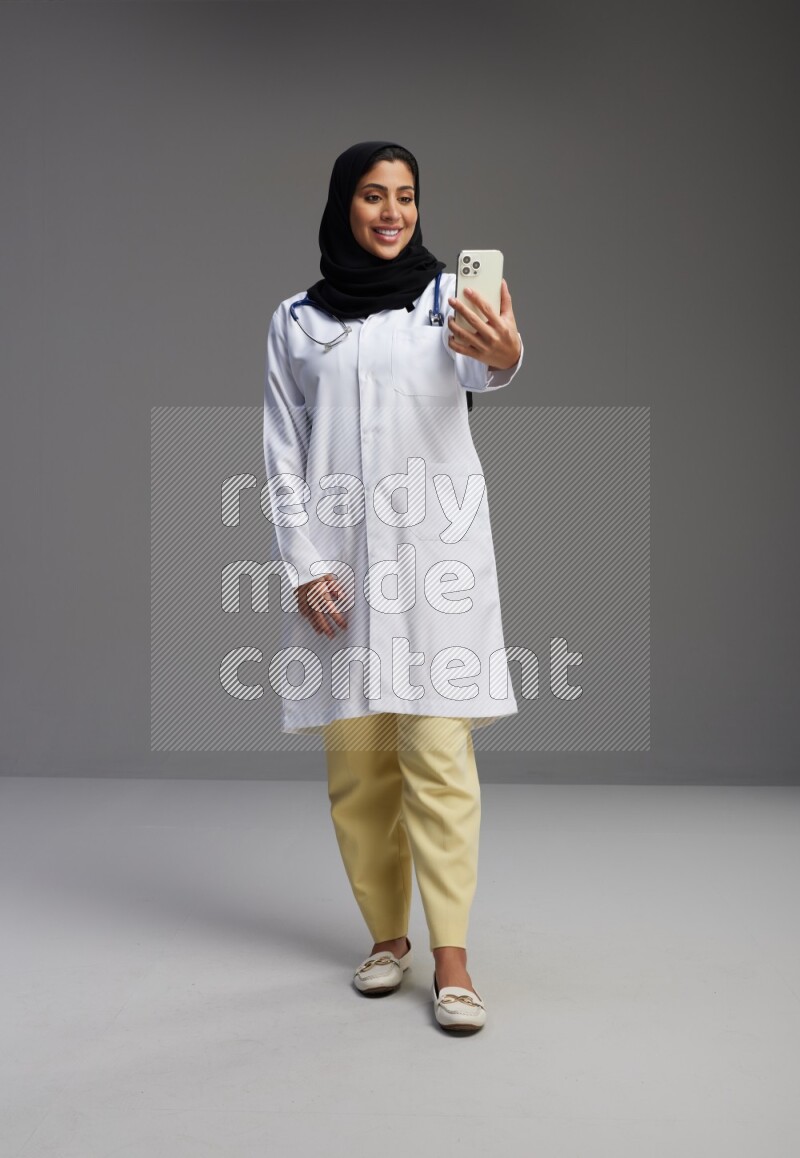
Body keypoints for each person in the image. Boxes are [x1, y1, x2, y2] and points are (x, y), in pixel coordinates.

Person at [262, 140, 524, 1033]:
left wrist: (508, 352)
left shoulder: (449, 297)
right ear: (344, 206)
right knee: (359, 769)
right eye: (373, 196)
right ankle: (387, 939)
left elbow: (485, 370)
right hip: (341, 565)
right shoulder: (296, 321)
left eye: (406, 197)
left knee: (439, 758)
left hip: (434, 564)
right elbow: (282, 451)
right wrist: (304, 565)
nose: (391, 213)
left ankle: (452, 959)